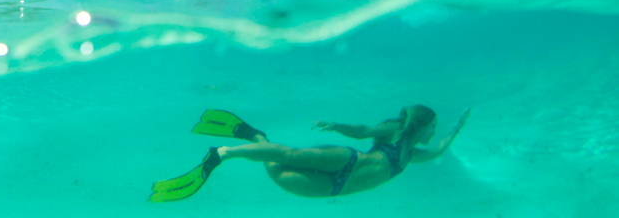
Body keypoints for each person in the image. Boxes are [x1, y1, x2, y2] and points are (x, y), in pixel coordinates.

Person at [149, 106, 470, 202]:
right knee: (289, 154)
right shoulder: (394, 133)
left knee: (279, 174)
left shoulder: (412, 156)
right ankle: (223, 153)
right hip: (348, 159)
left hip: (337, 187)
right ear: (422, 124)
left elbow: (439, 149)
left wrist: (456, 129)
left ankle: (255, 136)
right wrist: (337, 124)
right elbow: (363, 131)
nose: (434, 133)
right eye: (434, 126)